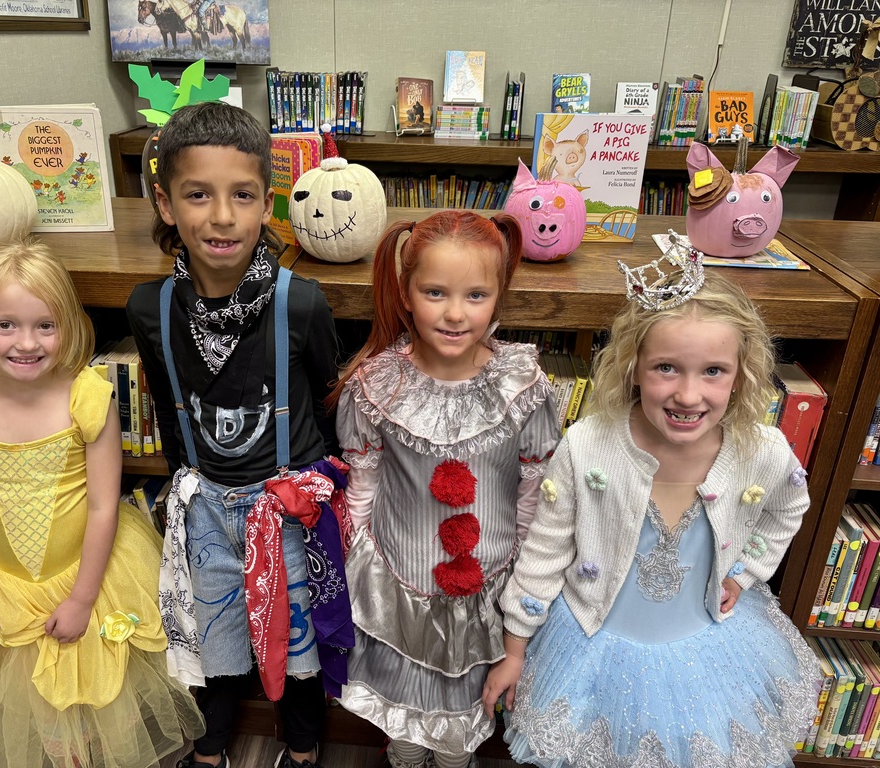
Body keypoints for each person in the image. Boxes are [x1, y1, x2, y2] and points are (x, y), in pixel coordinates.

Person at [482, 241, 822, 767]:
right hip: (593, 645)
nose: (689, 395)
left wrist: (746, 571)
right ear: (633, 366)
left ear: (742, 372)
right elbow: (544, 551)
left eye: (713, 371)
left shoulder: (763, 450)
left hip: (705, 647)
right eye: (667, 367)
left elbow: (788, 509)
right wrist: (515, 649)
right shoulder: (588, 445)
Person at [0, 241, 204, 768]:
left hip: (87, 577)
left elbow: (105, 505)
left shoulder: (89, 399)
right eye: (5, 325)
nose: (27, 343)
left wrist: (81, 600)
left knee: (92, 704)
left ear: (68, 325)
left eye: (45, 326)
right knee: (26, 715)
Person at [126, 101, 349, 768]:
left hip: (285, 506)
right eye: (198, 195)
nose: (221, 216)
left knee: (296, 641)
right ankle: (211, 743)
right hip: (204, 508)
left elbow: (324, 393)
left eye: (241, 196)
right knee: (214, 634)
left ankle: (304, 746)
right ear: (166, 204)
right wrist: (180, 489)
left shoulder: (300, 302)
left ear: (266, 205)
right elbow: (169, 408)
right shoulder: (149, 308)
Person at [329, 210, 562, 768]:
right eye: (435, 292)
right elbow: (365, 485)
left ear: (498, 296)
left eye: (476, 295)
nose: (456, 314)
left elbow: (533, 489)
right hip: (399, 588)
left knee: (461, 741)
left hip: (488, 593)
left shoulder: (523, 386)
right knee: (407, 741)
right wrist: (356, 567)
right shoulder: (378, 385)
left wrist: (521, 583)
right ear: (406, 293)